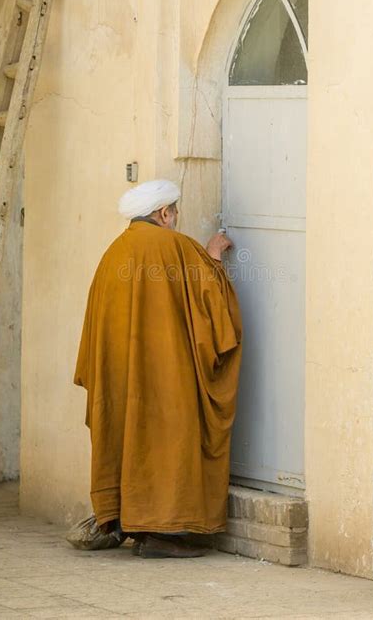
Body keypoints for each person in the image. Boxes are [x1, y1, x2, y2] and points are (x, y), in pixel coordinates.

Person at [72, 179, 242, 558]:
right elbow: (213, 308)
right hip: (167, 378)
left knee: (129, 438)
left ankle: (124, 521)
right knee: (168, 441)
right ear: (163, 213)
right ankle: (161, 532)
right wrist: (214, 257)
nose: (176, 219)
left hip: (119, 379)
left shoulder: (113, 253)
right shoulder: (177, 247)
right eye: (175, 212)